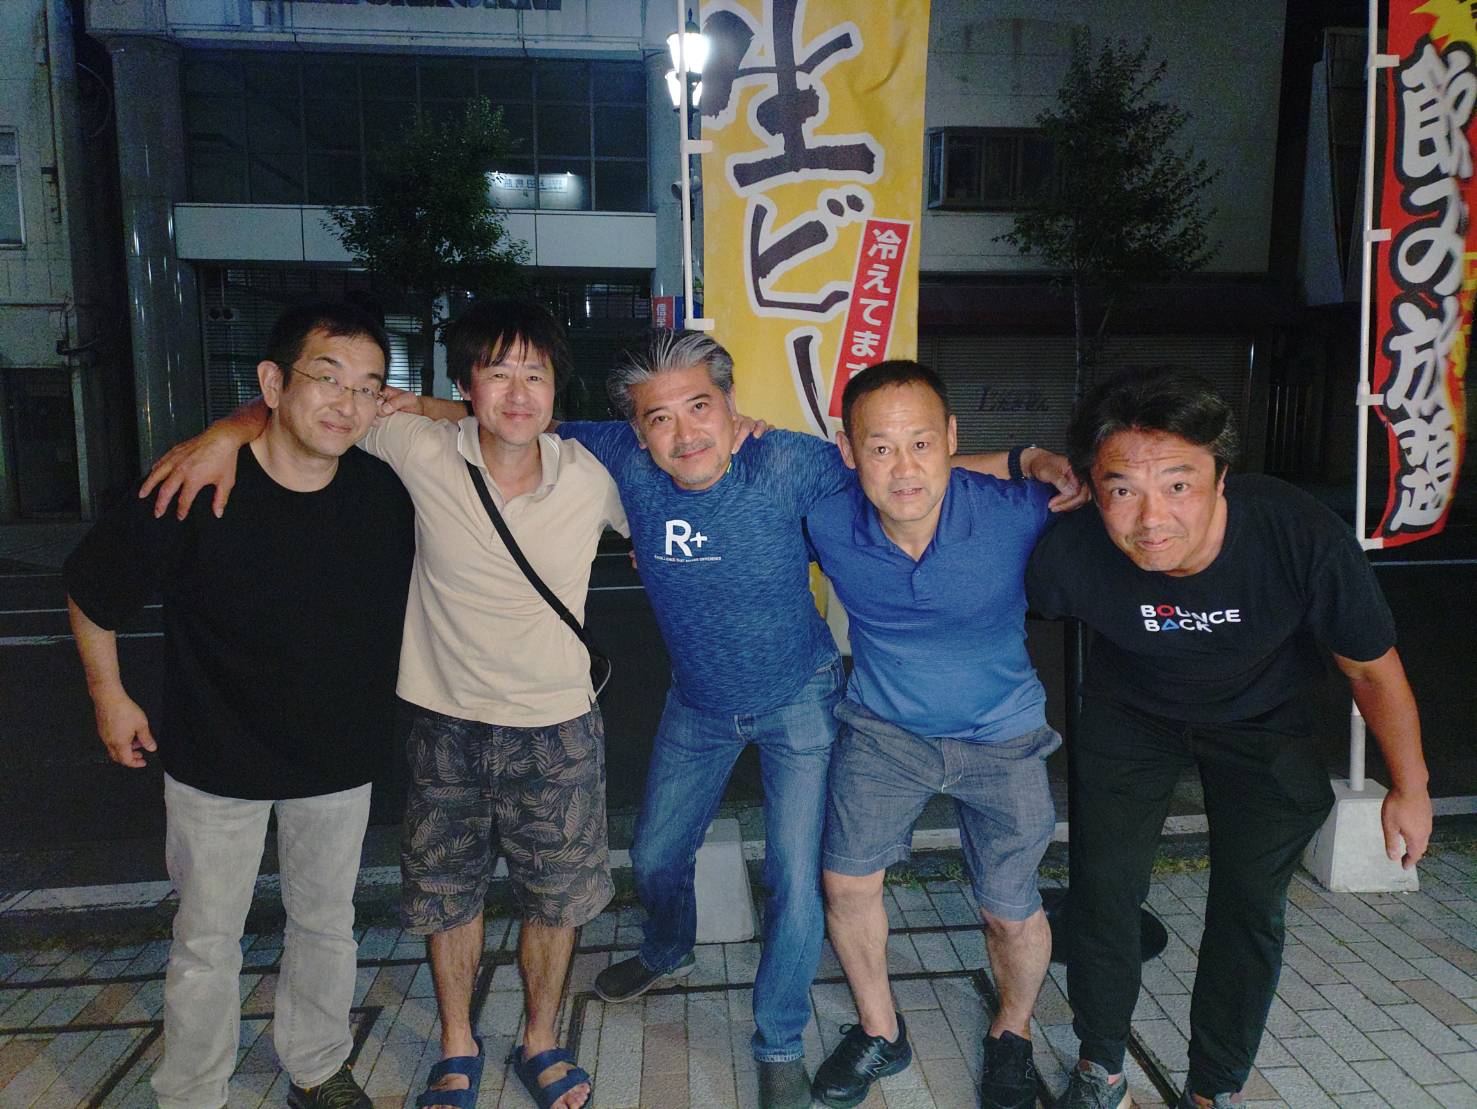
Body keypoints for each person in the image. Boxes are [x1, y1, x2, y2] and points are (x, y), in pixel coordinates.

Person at [550, 331, 1081, 1109]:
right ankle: (672, 947)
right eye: (660, 417)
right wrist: (401, 407)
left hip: (811, 698)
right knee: (660, 852)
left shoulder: (791, 462)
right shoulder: (625, 456)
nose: (685, 431)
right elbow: (514, 417)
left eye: (701, 406)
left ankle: (782, 1039)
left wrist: (1025, 457)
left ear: (732, 406)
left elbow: (905, 469)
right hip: (709, 704)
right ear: (636, 429)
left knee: (806, 882)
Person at [142, 300, 626, 1109]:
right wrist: (224, 432)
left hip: (559, 729)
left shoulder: (593, 474)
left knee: (557, 899)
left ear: (555, 387)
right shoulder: (415, 444)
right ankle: (457, 1043)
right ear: (464, 385)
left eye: (535, 374)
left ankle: (541, 1039)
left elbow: (685, 475)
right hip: (444, 726)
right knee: (445, 896)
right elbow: (305, 411)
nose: (517, 392)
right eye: (497, 372)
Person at [1026, 368, 1433, 1109]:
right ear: (1092, 487)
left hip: (1263, 718)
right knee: (1103, 890)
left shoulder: (1294, 532)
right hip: (1132, 714)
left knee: (1248, 904)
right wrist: (1024, 459)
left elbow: (1371, 670)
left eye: (1177, 485)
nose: (1151, 517)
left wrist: (1410, 787)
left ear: (1221, 478)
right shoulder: (1070, 550)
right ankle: (1100, 1065)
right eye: (1122, 489)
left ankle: (1214, 1088)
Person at [66, 302, 415, 1109]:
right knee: (205, 940)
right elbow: (91, 587)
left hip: (338, 757)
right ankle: (191, 1091)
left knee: (326, 924)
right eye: (326, 377)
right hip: (214, 756)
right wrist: (108, 695)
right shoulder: (198, 480)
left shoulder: (384, 492)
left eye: (367, 387)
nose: (347, 403)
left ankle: (317, 1066)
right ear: (272, 383)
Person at [802, 361, 1061, 1109]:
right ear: (848, 451)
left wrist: (1030, 458)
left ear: (950, 437)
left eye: (921, 443)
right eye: (879, 447)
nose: (904, 468)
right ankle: (880, 1030)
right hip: (885, 733)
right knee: (846, 883)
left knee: (1008, 907)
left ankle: (1012, 1032)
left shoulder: (1018, 510)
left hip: (1004, 734)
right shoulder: (826, 518)